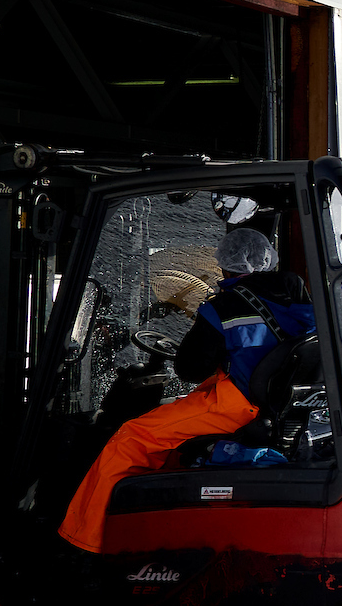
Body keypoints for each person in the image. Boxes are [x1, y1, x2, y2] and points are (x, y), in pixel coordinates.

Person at [58, 228, 316, 553]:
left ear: (224, 264)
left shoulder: (221, 307)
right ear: (267, 259)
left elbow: (189, 369)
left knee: (130, 438)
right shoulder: (301, 297)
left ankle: (84, 544)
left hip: (237, 405)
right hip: (278, 403)